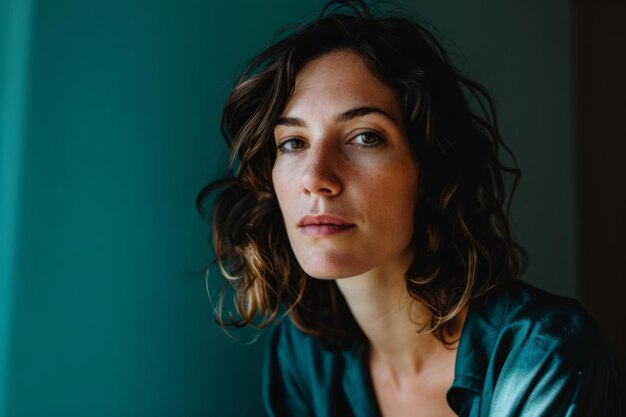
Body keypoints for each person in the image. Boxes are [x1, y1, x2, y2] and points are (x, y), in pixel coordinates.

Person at [197, 1, 624, 415]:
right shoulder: (306, 358)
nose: (315, 177)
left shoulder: (542, 355)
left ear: (430, 170)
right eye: (293, 143)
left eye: (365, 137)